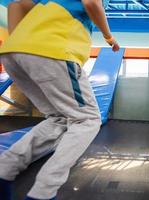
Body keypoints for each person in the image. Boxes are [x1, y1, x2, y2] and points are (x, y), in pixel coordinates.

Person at [0, 0, 120, 200]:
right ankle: (43, 192)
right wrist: (109, 37)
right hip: (54, 51)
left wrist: (21, 43)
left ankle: (4, 171)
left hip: (13, 53)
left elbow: (16, 5)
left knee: (58, 117)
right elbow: (91, 3)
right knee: (87, 120)